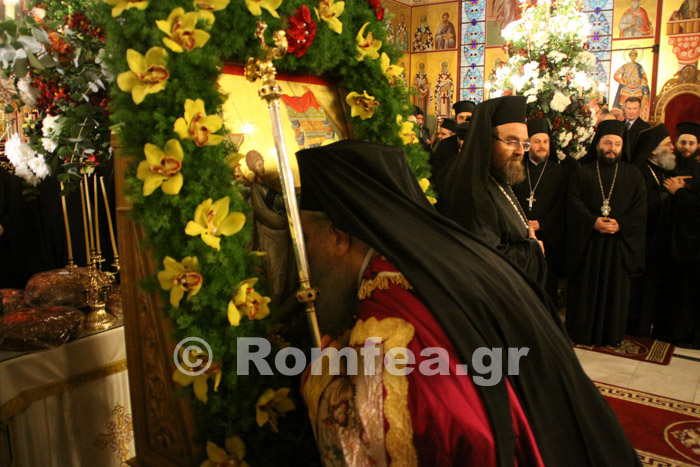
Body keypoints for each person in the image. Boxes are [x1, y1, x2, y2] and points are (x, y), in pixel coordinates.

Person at [297, 139, 640, 466]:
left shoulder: (388, 316)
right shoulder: (441, 253)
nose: (306, 255)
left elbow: (382, 440)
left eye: (308, 239)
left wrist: (320, 379)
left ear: (339, 238)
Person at [441, 96, 547, 286]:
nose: (520, 151)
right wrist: (533, 250)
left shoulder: (497, 175)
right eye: (511, 141)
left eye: (524, 143)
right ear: (487, 141)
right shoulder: (474, 189)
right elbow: (486, 262)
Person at [566, 119, 647, 347]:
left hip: (618, 246)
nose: (612, 148)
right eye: (607, 143)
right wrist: (592, 221)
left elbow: (640, 210)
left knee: (615, 291)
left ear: (623, 147)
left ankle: (611, 335)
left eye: (617, 144)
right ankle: (581, 332)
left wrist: (620, 225)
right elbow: (572, 202)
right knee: (585, 289)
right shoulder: (583, 172)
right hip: (589, 245)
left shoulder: (633, 175)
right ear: (598, 144)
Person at [512, 118, 568, 304]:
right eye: (537, 141)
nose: (542, 146)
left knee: (545, 288)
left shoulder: (560, 172)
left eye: (545, 141)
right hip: (519, 236)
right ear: (528, 144)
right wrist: (522, 223)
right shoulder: (516, 168)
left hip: (547, 240)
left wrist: (542, 224)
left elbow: (563, 207)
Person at [627, 124, 676, 337]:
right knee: (640, 293)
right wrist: (666, 193)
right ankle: (634, 331)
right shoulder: (640, 172)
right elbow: (641, 206)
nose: (672, 147)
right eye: (667, 144)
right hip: (644, 244)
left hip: (660, 243)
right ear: (653, 150)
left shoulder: (663, 171)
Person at [656, 122, 700, 347]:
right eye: (683, 142)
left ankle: (686, 334)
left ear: (698, 145)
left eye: (691, 143)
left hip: (692, 247)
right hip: (668, 242)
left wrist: (680, 193)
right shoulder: (668, 167)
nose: (686, 147)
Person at [613, 50, 651, 122]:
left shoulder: (639, 67)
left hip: (637, 90)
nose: (633, 57)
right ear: (629, 56)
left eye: (635, 55)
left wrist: (643, 83)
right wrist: (622, 81)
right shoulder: (625, 66)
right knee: (623, 107)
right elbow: (616, 75)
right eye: (632, 55)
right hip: (626, 90)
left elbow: (644, 77)